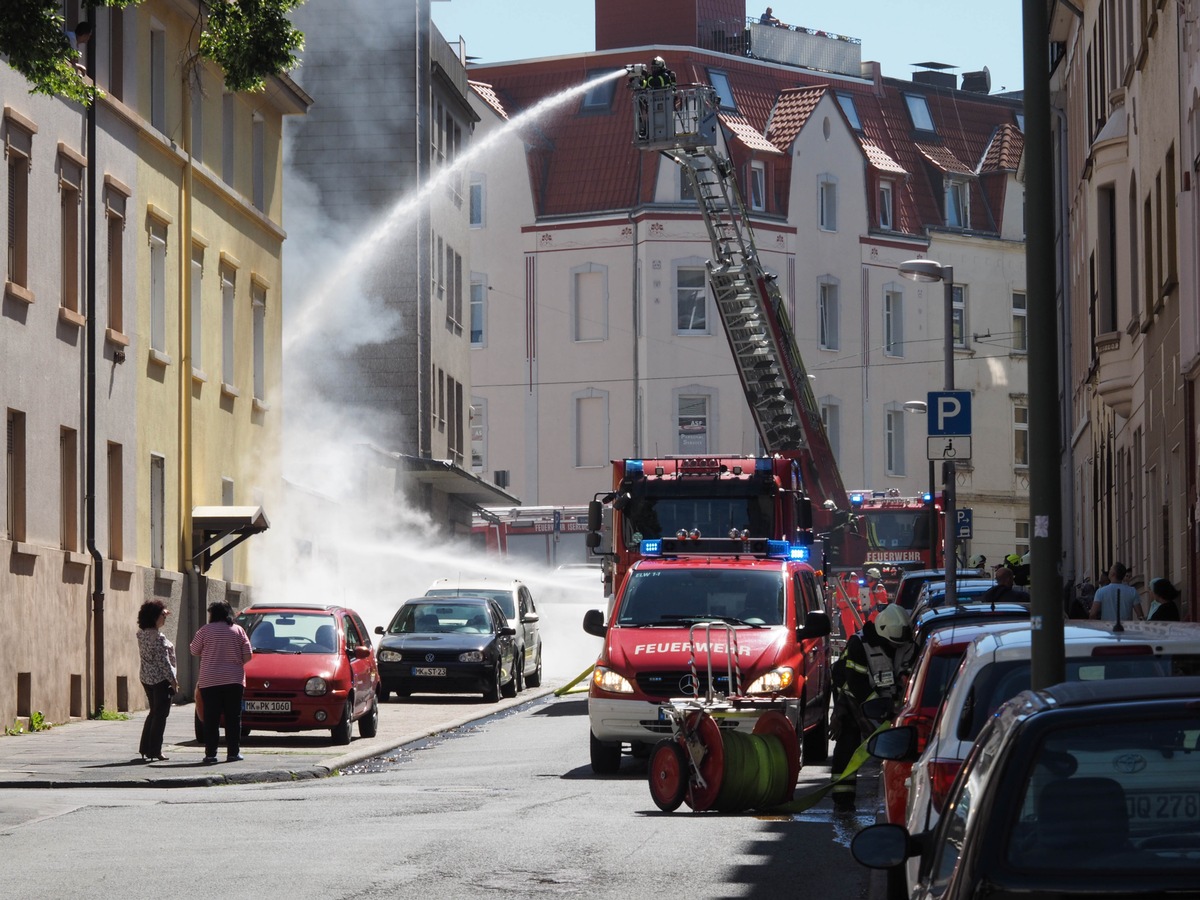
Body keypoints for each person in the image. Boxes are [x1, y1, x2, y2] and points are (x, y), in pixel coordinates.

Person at [828, 604, 915, 810]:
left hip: (890, 704)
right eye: (893, 645)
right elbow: (856, 683)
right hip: (850, 698)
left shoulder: (908, 644)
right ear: (883, 632)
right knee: (848, 742)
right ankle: (843, 797)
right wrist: (877, 709)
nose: (896, 648)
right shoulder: (860, 644)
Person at [190, 601, 252, 764]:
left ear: (212, 615)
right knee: (233, 718)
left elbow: (194, 650)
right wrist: (233, 664)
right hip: (234, 680)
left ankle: (211, 754)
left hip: (209, 681)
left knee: (211, 718)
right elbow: (248, 656)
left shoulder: (204, 631)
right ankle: (233, 753)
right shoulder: (238, 631)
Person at [136, 600, 178, 762]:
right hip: (161, 680)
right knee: (160, 715)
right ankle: (155, 750)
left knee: (153, 713)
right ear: (154, 617)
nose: (165, 617)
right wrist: (173, 681)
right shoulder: (158, 638)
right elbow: (164, 662)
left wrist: (161, 611)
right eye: (162, 615)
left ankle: (145, 748)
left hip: (147, 677)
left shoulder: (142, 634)